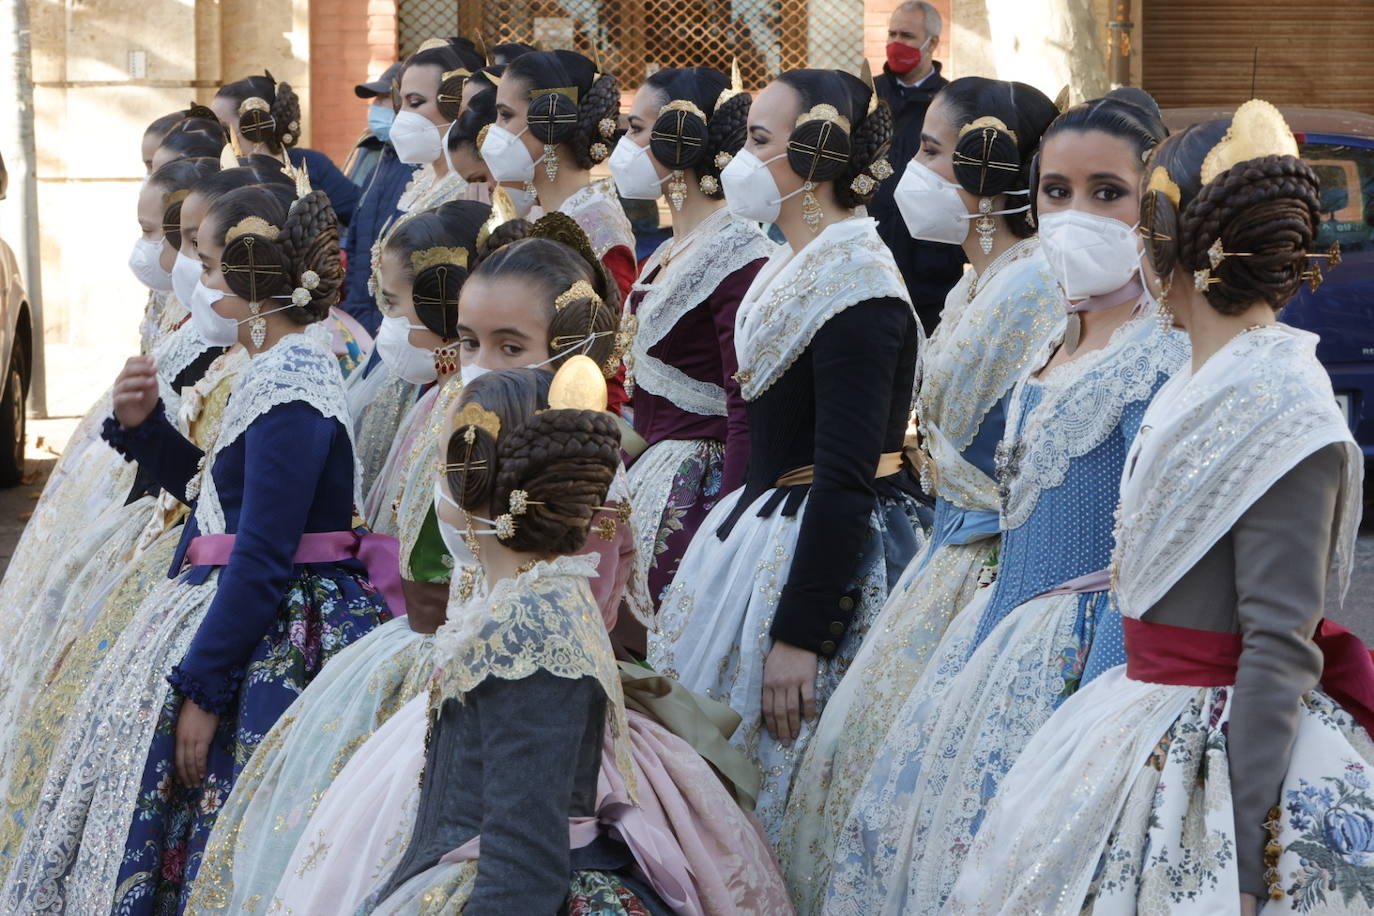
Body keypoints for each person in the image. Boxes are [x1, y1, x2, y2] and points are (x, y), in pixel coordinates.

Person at [243, 229, 789, 916]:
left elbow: (579, 628)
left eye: (509, 346)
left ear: (572, 357)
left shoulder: (578, 483)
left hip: (536, 722)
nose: (481, 366)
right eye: (469, 342)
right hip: (465, 676)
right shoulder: (476, 439)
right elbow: (435, 580)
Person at [947, 99, 1372, 916]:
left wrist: (1245, 867)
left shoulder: (1281, 406)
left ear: (1173, 238)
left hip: (1206, 762)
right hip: (1136, 719)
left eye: (1142, 218)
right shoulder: (1196, 378)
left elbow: (1279, 646)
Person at [816, 90, 1191, 915]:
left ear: (1153, 208)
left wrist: (1093, 719)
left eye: (1107, 193)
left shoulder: (1161, 359)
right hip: (1002, 644)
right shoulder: (1059, 336)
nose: (1076, 214)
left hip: (1092, 660)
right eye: (1057, 192)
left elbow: (1147, 566)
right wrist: (979, 656)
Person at [0, 184, 392, 913]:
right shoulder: (275, 369)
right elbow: (220, 501)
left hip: (270, 630)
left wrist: (205, 689)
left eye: (210, 268)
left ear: (254, 280)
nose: (199, 283)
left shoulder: (295, 385)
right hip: (235, 603)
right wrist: (147, 428)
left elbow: (264, 553)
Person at [778, 75, 1063, 875]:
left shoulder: (1036, 285)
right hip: (947, 559)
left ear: (990, 167)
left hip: (991, 571)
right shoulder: (979, 280)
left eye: (936, 153)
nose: (919, 170)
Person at [647, 67, 925, 840]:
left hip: (814, 557)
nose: (740, 159)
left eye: (760, 141)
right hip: (758, 534)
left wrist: (801, 636)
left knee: (785, 790)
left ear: (820, 155)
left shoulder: (858, 285)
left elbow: (848, 471)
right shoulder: (789, 263)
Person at [608, 65, 774, 620]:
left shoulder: (738, 254)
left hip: (699, 490)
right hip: (648, 473)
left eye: (636, 129)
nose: (626, 145)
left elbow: (744, 404)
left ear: (679, 137)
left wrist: (729, 526)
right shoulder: (668, 250)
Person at [348, 45, 488, 497]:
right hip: (391, 357)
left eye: (415, 103)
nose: (402, 116)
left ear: (454, 104)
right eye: (400, 102)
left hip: (430, 364)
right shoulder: (419, 181)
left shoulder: (466, 193)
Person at [480, 49, 637, 416]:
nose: (493, 133)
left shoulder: (599, 230)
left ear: (549, 121)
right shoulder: (540, 211)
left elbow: (606, 365)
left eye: (505, 116)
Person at [869, 0, 964, 333]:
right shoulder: (866, 95)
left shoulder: (952, 103)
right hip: (870, 262)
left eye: (907, 35)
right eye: (892, 33)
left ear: (932, 43)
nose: (896, 43)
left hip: (930, 271)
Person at [212, 72, 360, 227]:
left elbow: (361, 218)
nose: (212, 135)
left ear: (254, 125)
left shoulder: (311, 164)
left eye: (221, 126)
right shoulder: (215, 173)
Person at [338, 61, 420, 335]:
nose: (378, 106)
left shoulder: (419, 166)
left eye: (387, 98)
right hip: (360, 315)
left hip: (392, 321)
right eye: (377, 99)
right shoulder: (378, 161)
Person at [344, 61, 403, 187]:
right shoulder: (370, 145)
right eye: (377, 97)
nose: (377, 103)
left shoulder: (426, 154)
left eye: (386, 96)